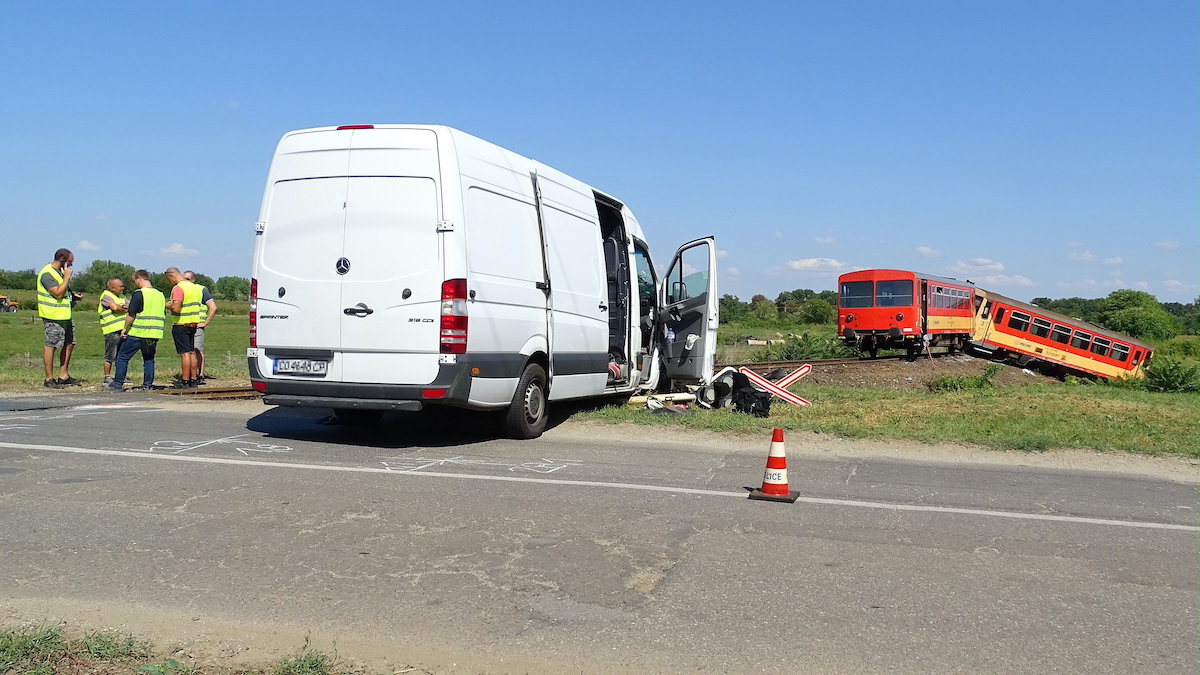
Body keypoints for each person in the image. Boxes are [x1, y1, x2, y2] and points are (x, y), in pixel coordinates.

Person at [106, 270, 165, 391]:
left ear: (139, 279)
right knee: (148, 359)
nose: (135, 284)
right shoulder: (160, 294)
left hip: (139, 331)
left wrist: (124, 329)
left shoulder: (139, 293)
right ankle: (147, 385)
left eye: (135, 281)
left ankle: (117, 383)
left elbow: (131, 314)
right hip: (154, 332)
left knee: (122, 357)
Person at [37, 248, 84, 388]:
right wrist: (67, 277)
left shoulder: (59, 273)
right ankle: (49, 379)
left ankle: (64, 376)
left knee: (69, 343)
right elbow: (57, 293)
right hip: (53, 316)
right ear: (62, 260)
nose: (71, 266)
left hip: (65, 315)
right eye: (70, 262)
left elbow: (63, 291)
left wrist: (73, 296)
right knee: (51, 345)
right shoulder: (47, 274)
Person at [165, 267, 203, 388]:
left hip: (181, 324)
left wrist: (168, 305)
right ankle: (194, 380)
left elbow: (176, 308)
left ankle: (185, 380)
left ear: (171, 275)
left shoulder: (178, 288)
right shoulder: (195, 288)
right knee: (192, 352)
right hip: (193, 323)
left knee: (184, 354)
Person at [183, 270, 218, 381]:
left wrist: (205, 322)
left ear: (194, 280)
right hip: (184, 324)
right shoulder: (181, 289)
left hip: (197, 324)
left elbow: (213, 307)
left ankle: (200, 375)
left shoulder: (201, 289)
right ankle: (188, 375)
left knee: (197, 350)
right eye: (184, 279)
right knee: (186, 351)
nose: (185, 281)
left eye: (187, 279)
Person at [97, 277, 128, 385]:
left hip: (123, 330)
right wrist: (123, 308)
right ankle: (107, 376)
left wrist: (123, 307)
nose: (122, 288)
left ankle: (120, 376)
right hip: (111, 330)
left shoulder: (122, 296)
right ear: (112, 288)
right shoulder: (106, 296)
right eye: (120, 286)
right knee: (110, 355)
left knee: (121, 355)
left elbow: (131, 306)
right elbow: (115, 308)